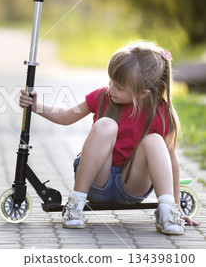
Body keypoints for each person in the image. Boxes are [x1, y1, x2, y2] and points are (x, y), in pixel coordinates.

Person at [19, 41, 199, 235]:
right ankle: (75, 205)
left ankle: (167, 212)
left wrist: (177, 203)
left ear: (143, 93)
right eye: (111, 81)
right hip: (97, 182)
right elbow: (66, 116)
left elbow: (170, 159)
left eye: (119, 87)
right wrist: (36, 106)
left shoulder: (160, 112)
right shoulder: (102, 96)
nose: (111, 88)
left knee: (155, 141)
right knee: (106, 124)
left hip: (131, 186)